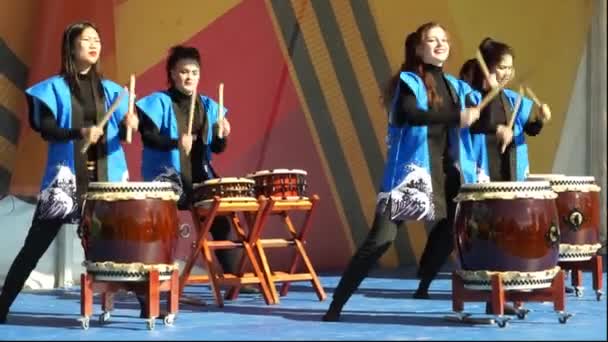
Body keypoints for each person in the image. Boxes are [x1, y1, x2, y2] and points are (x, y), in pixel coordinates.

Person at [322, 22, 481, 322]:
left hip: (447, 174)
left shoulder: (455, 87)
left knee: (465, 228)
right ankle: (336, 305)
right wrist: (456, 116)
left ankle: (482, 298)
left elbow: (478, 115)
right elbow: (411, 114)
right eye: (431, 40)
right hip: (411, 175)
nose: (439, 44)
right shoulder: (410, 81)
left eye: (443, 39)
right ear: (419, 48)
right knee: (380, 240)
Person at [0, 21, 138, 324]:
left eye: (97, 40)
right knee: (34, 246)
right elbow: (47, 130)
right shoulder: (52, 89)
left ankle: (145, 302)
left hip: (107, 179)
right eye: (86, 39)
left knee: (120, 245)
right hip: (65, 180)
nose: (94, 44)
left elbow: (126, 135)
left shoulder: (113, 91)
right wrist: (80, 131)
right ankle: (3, 304)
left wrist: (131, 125)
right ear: (71, 47)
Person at [135, 45, 257, 305]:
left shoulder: (208, 106)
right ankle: (154, 280)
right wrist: (176, 142)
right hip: (166, 177)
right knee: (163, 228)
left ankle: (235, 278)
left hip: (199, 177)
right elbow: (147, 137)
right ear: (172, 74)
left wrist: (223, 134)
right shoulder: (158, 102)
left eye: (194, 72)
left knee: (221, 219)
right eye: (183, 72)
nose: (189, 77)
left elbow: (217, 148)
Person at [461, 37, 551, 182]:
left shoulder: (513, 99)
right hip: (482, 171)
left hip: (511, 172)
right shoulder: (472, 97)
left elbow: (531, 130)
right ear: (488, 67)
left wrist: (540, 119)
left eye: (510, 68)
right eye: (502, 68)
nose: (507, 73)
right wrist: (498, 129)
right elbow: (473, 126)